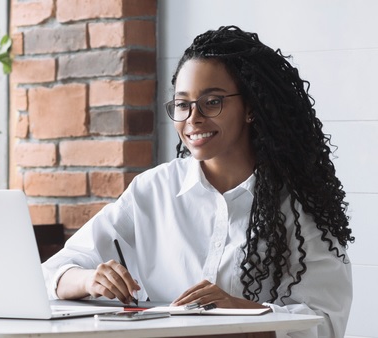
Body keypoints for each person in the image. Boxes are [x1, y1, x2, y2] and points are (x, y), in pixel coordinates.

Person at [42, 26, 353, 338]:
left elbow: (325, 321)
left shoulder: (298, 202)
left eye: (212, 102)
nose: (193, 118)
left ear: (251, 108)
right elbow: (49, 274)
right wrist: (89, 280)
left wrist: (240, 313)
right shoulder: (153, 190)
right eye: (182, 104)